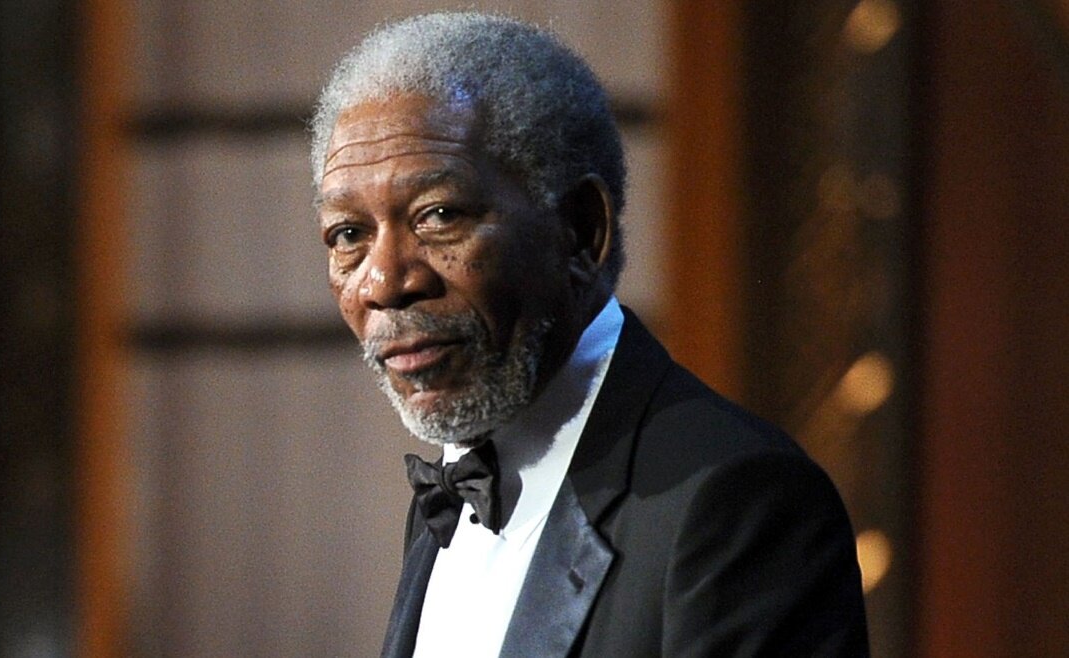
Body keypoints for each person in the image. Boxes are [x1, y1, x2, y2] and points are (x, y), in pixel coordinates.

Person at [310, 12, 868, 657]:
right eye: (348, 234)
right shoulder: (446, 498)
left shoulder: (738, 502)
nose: (384, 282)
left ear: (580, 232)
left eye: (438, 215)